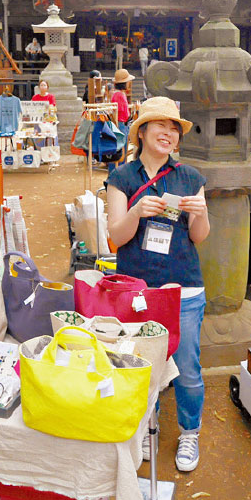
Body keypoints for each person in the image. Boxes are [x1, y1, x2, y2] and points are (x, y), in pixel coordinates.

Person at [105, 97, 210, 472]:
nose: (168, 134)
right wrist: (136, 211)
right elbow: (115, 236)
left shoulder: (191, 177)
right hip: (137, 290)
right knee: (141, 364)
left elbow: (200, 236)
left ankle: (189, 432)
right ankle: (148, 429)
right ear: (142, 131)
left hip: (184, 287)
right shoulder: (121, 177)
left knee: (187, 367)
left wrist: (198, 214)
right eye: (160, 126)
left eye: (174, 129)